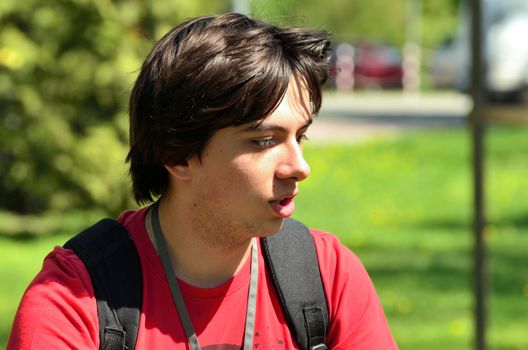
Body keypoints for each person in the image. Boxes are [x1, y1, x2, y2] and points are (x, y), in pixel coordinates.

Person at [8, 13, 398, 349]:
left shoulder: (329, 277)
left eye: (300, 136)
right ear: (177, 155)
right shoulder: (74, 298)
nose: (300, 167)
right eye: (263, 141)